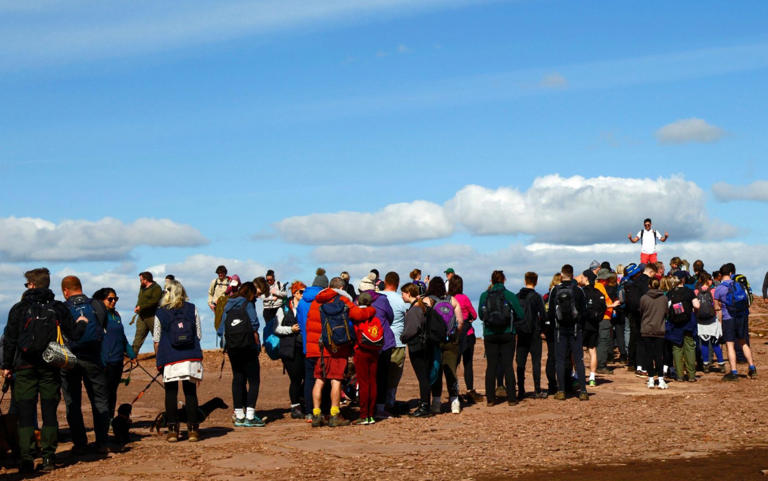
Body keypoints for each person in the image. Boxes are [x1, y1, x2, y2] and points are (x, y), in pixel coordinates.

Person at [2, 268, 84, 473]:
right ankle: (48, 457)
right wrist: (82, 323)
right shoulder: (57, 308)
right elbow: (74, 334)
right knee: (49, 413)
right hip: (50, 366)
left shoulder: (18, 309)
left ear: (31, 284)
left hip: (23, 367)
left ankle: (27, 460)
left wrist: (6, 367)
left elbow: (10, 339)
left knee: (26, 414)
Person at [61, 275, 112, 455]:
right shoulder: (97, 304)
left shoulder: (63, 307)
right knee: (99, 400)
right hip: (94, 357)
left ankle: (80, 443)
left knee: (73, 402)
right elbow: (103, 325)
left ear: (65, 291)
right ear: (80, 287)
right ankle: (102, 442)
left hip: (70, 359)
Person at [153, 279, 203, 442]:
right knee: (190, 392)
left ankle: (173, 430)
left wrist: (159, 358)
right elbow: (199, 334)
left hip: (170, 356)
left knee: (171, 392)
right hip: (191, 355)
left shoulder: (160, 312)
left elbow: (157, 338)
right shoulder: (192, 308)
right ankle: (193, 430)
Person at [309, 277, 361, 427]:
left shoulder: (316, 301)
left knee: (319, 380)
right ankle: (334, 414)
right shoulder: (343, 301)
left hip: (320, 347)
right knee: (336, 380)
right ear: (341, 288)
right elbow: (357, 314)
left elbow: (310, 325)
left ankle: (317, 414)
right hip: (338, 347)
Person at [221, 281, 265, 427]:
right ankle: (250, 416)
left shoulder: (228, 305)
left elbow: (221, 329)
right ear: (251, 293)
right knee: (254, 380)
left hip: (232, 347)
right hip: (248, 346)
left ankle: (239, 415)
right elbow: (254, 324)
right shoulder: (248, 304)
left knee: (238, 379)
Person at [478, 270, 524, 406]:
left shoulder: (484, 295)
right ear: (504, 280)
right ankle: (511, 398)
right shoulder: (509, 295)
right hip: (507, 333)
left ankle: (491, 399)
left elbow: (481, 315)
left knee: (491, 366)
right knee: (508, 365)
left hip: (490, 334)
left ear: (491, 281)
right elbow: (520, 314)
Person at [92, 288, 136, 424]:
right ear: (101, 300)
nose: (113, 301)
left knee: (112, 392)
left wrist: (131, 353)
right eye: (110, 299)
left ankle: (110, 419)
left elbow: (122, 337)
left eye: (115, 299)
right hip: (104, 361)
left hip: (117, 360)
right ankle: (103, 421)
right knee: (103, 393)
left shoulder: (116, 315)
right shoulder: (97, 315)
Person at [547, 265, 589, 401]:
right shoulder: (578, 290)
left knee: (560, 360)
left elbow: (551, 312)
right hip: (576, 329)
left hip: (560, 330)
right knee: (579, 360)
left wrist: (555, 327)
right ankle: (583, 391)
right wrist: (580, 325)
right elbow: (584, 311)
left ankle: (561, 391)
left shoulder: (555, 290)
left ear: (561, 274)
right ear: (572, 274)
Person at [357, 272, 395, 419]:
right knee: (381, 377)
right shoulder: (383, 300)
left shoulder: (356, 301)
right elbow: (390, 317)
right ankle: (379, 408)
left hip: (364, 343)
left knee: (365, 378)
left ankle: (366, 410)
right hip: (383, 341)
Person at [423, 276, 464, 414]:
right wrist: (454, 334)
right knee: (451, 371)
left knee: (436, 370)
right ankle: (454, 402)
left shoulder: (428, 300)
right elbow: (460, 322)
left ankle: (436, 403)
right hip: (451, 341)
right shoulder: (452, 300)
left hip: (434, 341)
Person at [713, 263, 757, 381]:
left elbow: (717, 307)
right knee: (743, 342)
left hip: (728, 318)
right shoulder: (739, 285)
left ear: (721, 274)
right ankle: (752, 367)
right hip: (741, 317)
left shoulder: (719, 289)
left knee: (730, 345)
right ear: (732, 273)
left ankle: (734, 371)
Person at [297, 268, 328, 420]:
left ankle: (309, 411)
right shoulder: (324, 300)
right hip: (322, 346)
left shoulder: (302, 302)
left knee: (309, 378)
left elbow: (301, 324)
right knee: (323, 377)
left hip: (306, 345)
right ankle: (323, 409)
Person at [400, 283, 433, 417]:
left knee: (422, 377)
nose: (402, 295)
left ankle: (424, 406)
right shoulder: (422, 306)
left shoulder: (415, 309)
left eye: (403, 293)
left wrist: (403, 337)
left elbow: (412, 330)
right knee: (425, 376)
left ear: (408, 293)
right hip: (425, 345)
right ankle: (425, 403)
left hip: (417, 346)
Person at [349, 293, 381, 425]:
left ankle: (364, 415)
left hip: (361, 350)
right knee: (373, 382)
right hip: (374, 350)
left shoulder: (357, 317)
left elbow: (352, 332)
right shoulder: (375, 317)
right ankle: (371, 414)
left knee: (363, 383)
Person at [449, 275, 481, 402]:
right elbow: (474, 314)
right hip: (467, 333)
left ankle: (454, 392)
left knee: (454, 364)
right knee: (468, 363)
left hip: (453, 334)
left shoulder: (448, 299)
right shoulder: (464, 298)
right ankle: (470, 390)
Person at [515, 272, 547, 399]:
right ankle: (537, 389)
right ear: (536, 282)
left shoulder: (517, 296)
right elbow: (543, 316)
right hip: (534, 332)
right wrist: (543, 330)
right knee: (536, 362)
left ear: (525, 281)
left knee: (520, 363)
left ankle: (521, 390)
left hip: (521, 333)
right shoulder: (537, 297)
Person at [381, 272, 409, 412]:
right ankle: (389, 401)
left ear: (385, 282)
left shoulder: (378, 297)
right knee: (394, 374)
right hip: (397, 341)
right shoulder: (401, 300)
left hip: (379, 340)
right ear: (397, 284)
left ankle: (378, 402)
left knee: (380, 373)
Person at [666, 273, 700, 382]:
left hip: (674, 324)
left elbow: (666, 308)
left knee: (677, 348)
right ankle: (691, 375)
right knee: (689, 347)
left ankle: (679, 375)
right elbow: (697, 305)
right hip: (688, 323)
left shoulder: (670, 293)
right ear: (683, 280)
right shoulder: (689, 292)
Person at [640, 277, 669, 389]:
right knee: (659, 355)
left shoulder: (644, 298)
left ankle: (651, 379)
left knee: (648, 355)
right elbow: (666, 312)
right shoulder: (664, 298)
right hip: (659, 328)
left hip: (647, 328)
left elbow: (641, 311)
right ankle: (661, 379)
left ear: (649, 285)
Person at [694, 273, 725, 373]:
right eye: (710, 279)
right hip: (712, 320)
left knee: (704, 343)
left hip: (701, 321)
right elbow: (718, 305)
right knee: (715, 343)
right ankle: (721, 364)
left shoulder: (695, 291)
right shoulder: (713, 291)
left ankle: (706, 364)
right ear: (707, 280)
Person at [594, 269, 620, 383]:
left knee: (602, 341)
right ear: (604, 278)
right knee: (603, 342)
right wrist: (613, 305)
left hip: (605, 318)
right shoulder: (599, 287)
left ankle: (601, 364)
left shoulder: (599, 286)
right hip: (604, 318)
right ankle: (601, 366)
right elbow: (601, 304)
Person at [132, 271, 163, 355]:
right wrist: (137, 306)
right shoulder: (142, 287)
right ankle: (132, 354)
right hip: (142, 316)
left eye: (141, 279)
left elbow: (154, 301)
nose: (140, 281)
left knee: (157, 336)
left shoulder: (156, 288)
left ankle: (161, 355)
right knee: (138, 336)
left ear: (146, 279)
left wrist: (141, 307)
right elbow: (140, 299)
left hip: (152, 316)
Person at [263, 269, 287, 334]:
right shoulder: (264, 285)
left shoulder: (279, 284)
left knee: (278, 326)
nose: (269, 281)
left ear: (274, 278)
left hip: (277, 308)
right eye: (267, 280)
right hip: (267, 309)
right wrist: (271, 298)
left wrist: (276, 292)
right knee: (269, 327)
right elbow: (261, 297)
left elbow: (285, 294)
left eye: (270, 280)